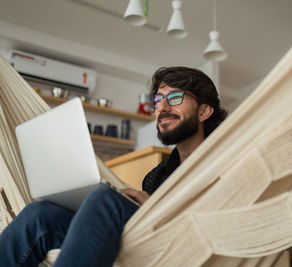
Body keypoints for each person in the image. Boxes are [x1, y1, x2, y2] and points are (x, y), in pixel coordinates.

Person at [0, 66, 228, 267]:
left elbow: (218, 225)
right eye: (158, 100)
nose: (163, 107)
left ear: (203, 111)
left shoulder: (226, 164)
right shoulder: (156, 176)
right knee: (39, 214)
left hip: (183, 246)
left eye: (176, 98)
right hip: (142, 240)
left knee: (104, 198)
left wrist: (154, 210)